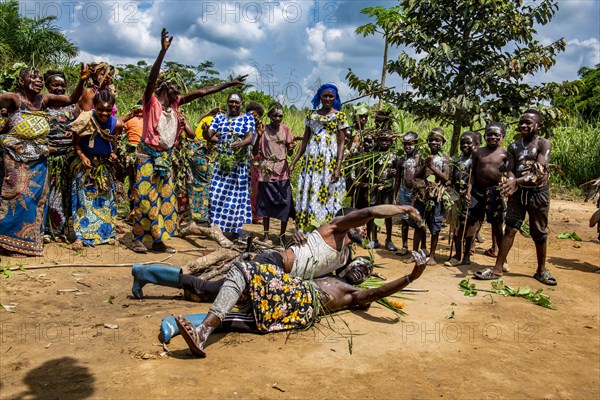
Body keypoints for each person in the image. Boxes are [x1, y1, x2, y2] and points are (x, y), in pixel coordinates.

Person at [131, 204, 421, 300]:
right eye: (358, 226)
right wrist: (403, 208)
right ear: (350, 222)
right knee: (211, 290)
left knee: (212, 291)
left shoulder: (344, 254)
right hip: (271, 264)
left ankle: (146, 274)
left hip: (281, 275)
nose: (361, 231)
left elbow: (341, 280)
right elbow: (370, 211)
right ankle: (144, 272)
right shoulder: (334, 229)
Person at [175, 247, 428, 357]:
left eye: (365, 272)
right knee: (243, 289)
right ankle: (201, 329)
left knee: (243, 276)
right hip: (290, 291)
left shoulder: (352, 293)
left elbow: (379, 292)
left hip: (301, 301)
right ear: (347, 264)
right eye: (359, 265)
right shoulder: (326, 273)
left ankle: (203, 330)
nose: (361, 271)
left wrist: (410, 276)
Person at [129, 28, 247, 253]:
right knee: (144, 197)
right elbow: (152, 78)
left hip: (164, 157)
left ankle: (157, 240)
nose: (178, 93)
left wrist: (229, 84)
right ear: (165, 88)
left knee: (164, 200)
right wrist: (162, 53)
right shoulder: (150, 101)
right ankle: (137, 238)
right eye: (174, 88)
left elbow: (203, 91)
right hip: (146, 155)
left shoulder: (174, 106)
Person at [0, 65, 87, 256]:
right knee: (14, 194)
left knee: (35, 198)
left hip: (39, 157)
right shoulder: (12, 98)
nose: (38, 80)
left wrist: (82, 80)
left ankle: (26, 242)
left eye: (40, 78)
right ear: (22, 82)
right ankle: (5, 239)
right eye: (32, 77)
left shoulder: (44, 100)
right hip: (15, 155)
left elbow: (71, 99)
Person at [474, 110, 555, 285]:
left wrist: (515, 181)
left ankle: (541, 270)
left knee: (539, 232)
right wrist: (511, 180)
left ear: (539, 126)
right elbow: (510, 168)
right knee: (510, 229)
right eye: (521, 122)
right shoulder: (514, 147)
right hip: (518, 194)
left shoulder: (543, 144)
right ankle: (497, 268)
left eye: (528, 122)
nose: (523, 126)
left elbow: (540, 171)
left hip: (538, 194)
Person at [290, 83, 349, 231]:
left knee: (327, 194)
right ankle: (307, 231)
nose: (328, 98)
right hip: (312, 162)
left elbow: (341, 143)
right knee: (310, 192)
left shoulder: (340, 116)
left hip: (330, 162)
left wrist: (338, 167)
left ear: (335, 98)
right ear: (320, 97)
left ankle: (326, 231)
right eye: (325, 95)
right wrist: (294, 162)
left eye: (331, 96)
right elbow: (304, 141)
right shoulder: (312, 115)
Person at [69, 90, 123, 249]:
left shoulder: (117, 124)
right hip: (86, 167)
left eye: (108, 110)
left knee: (105, 201)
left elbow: (115, 146)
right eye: (100, 109)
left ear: (112, 108)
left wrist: (113, 155)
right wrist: (82, 156)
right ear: (94, 107)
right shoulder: (86, 120)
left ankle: (106, 234)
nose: (104, 113)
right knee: (83, 202)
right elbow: (76, 143)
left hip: (103, 167)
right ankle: (80, 236)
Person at [202, 93, 254, 240]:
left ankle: (236, 231)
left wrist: (241, 143)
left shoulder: (247, 118)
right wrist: (207, 132)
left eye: (237, 102)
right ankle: (215, 228)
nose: (233, 105)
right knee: (215, 194)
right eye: (231, 102)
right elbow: (209, 135)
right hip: (222, 163)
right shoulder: (219, 117)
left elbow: (250, 137)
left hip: (239, 165)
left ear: (241, 104)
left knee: (237, 198)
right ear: (227, 103)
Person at [462, 123, 508, 265]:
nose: (492, 137)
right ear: (485, 135)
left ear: (502, 137)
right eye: (489, 134)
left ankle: (502, 260)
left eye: (496, 134)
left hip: (495, 192)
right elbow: (473, 175)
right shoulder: (478, 152)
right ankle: (466, 256)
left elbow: (508, 173)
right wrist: (469, 192)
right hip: (477, 191)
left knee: (497, 226)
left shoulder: (505, 153)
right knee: (471, 223)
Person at [43, 70, 79, 242]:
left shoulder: (73, 106)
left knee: (66, 193)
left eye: (62, 85)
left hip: (68, 158)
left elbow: (80, 128)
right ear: (47, 86)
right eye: (55, 85)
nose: (59, 88)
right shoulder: (43, 105)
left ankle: (63, 229)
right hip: (48, 157)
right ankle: (49, 230)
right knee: (50, 194)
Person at [252, 102, 296, 243]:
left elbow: (289, 152)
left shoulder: (285, 129)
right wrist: (258, 136)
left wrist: (291, 147)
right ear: (270, 116)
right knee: (265, 204)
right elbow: (254, 152)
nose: (277, 118)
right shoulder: (263, 129)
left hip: (282, 170)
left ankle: (282, 235)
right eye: (275, 115)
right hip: (266, 171)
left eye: (280, 116)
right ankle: (266, 235)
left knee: (285, 203)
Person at [407, 129, 450, 265]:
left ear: (443, 142)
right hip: (421, 195)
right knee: (419, 224)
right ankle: (414, 253)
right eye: (431, 140)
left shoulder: (444, 158)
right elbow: (415, 176)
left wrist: (432, 166)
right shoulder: (421, 157)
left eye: (437, 140)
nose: (434, 142)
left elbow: (445, 178)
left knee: (435, 226)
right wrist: (425, 165)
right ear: (427, 142)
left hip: (436, 196)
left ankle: (432, 255)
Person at [445, 131, 476, 266]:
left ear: (476, 144)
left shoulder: (476, 161)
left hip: (471, 197)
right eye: (462, 143)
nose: (465, 145)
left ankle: (467, 254)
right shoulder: (456, 160)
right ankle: (457, 255)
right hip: (456, 196)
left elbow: (475, 179)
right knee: (457, 226)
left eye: (468, 143)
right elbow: (451, 179)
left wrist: (469, 192)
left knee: (468, 227)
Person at [369, 130, 400, 251]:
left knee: (388, 214)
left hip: (387, 188)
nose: (384, 142)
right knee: (374, 213)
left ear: (391, 142)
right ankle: (374, 239)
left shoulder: (394, 156)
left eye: (387, 140)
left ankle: (389, 240)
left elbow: (398, 175)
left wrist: (395, 173)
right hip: (375, 187)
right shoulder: (373, 154)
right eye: (381, 140)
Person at [188, 108, 221, 223]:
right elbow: (210, 137)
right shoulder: (213, 120)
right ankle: (203, 218)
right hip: (200, 153)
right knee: (206, 183)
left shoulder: (205, 118)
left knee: (197, 183)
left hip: (193, 152)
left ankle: (196, 215)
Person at [395, 132, 421, 255]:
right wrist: (395, 195)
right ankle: (404, 245)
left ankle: (422, 246)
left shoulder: (420, 159)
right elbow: (398, 179)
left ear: (416, 144)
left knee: (419, 219)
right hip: (404, 191)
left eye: (410, 144)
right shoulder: (401, 161)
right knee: (404, 219)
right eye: (405, 144)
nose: (407, 147)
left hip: (417, 193)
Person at [245, 102, 265, 225]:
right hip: (243, 158)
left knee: (255, 188)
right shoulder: (242, 125)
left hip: (255, 159)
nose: (253, 117)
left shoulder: (261, 128)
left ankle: (254, 214)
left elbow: (257, 147)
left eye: (256, 115)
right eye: (251, 114)